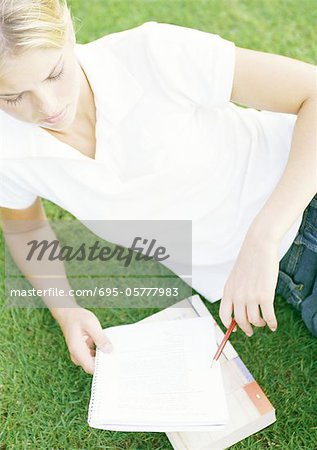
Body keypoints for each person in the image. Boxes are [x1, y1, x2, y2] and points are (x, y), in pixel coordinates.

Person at [0, 0, 316, 375]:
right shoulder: (8, 149)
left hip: (301, 191)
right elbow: (25, 225)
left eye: (54, 73)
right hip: (281, 275)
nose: (49, 107)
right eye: (12, 97)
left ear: (68, 30)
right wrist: (68, 313)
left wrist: (262, 237)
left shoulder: (152, 54)